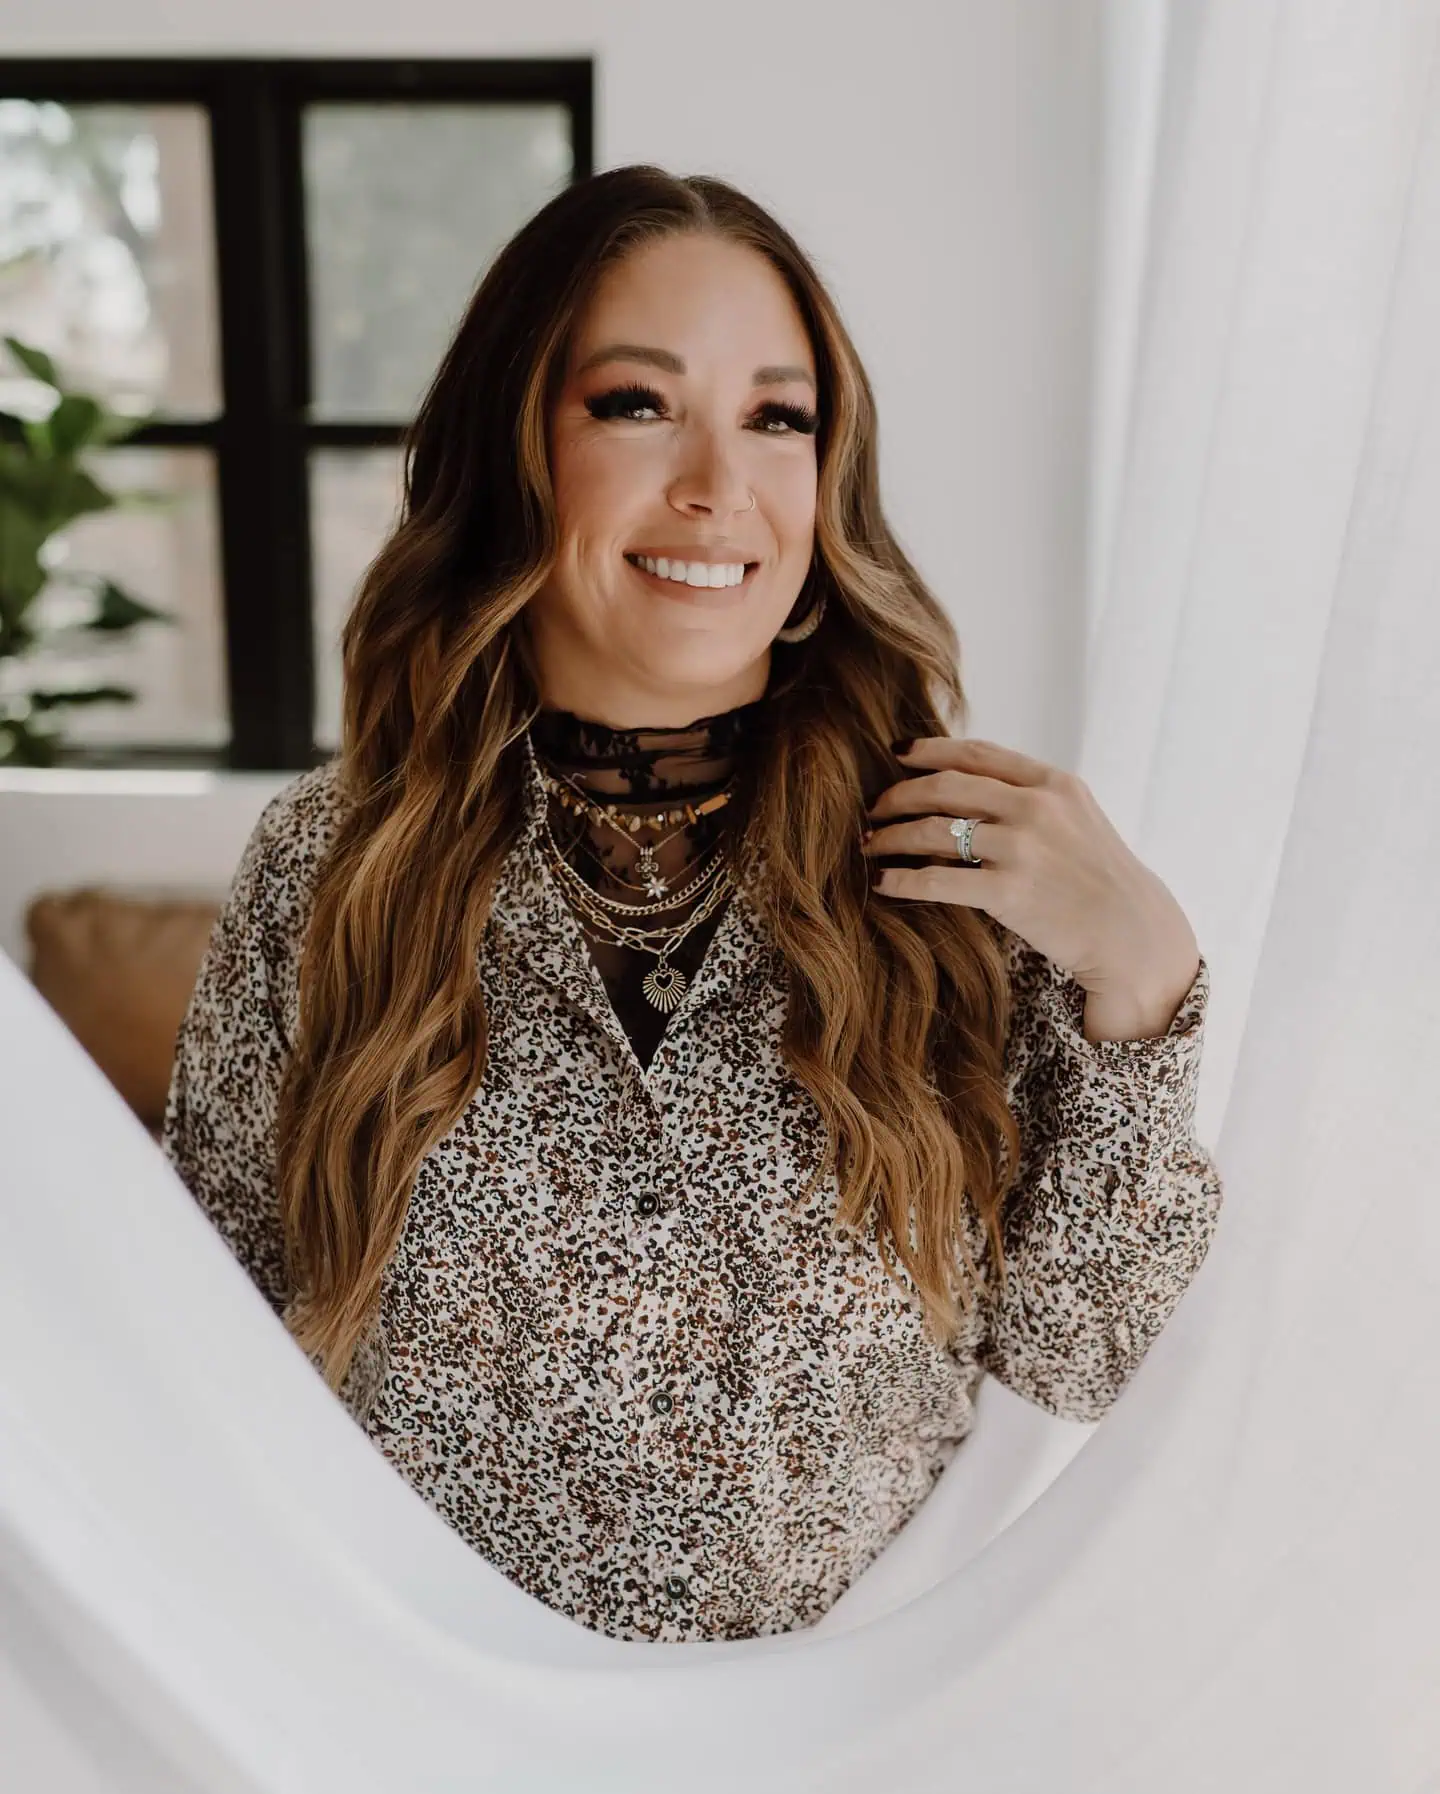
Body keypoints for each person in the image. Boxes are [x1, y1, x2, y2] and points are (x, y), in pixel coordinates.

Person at [162, 164, 1223, 1646]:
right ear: (514, 448)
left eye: (778, 418)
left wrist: (1145, 972)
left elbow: (1094, 1357)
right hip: (420, 1726)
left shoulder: (970, 869)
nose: (719, 484)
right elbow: (199, 1359)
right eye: (636, 403)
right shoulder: (329, 865)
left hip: (850, 1738)